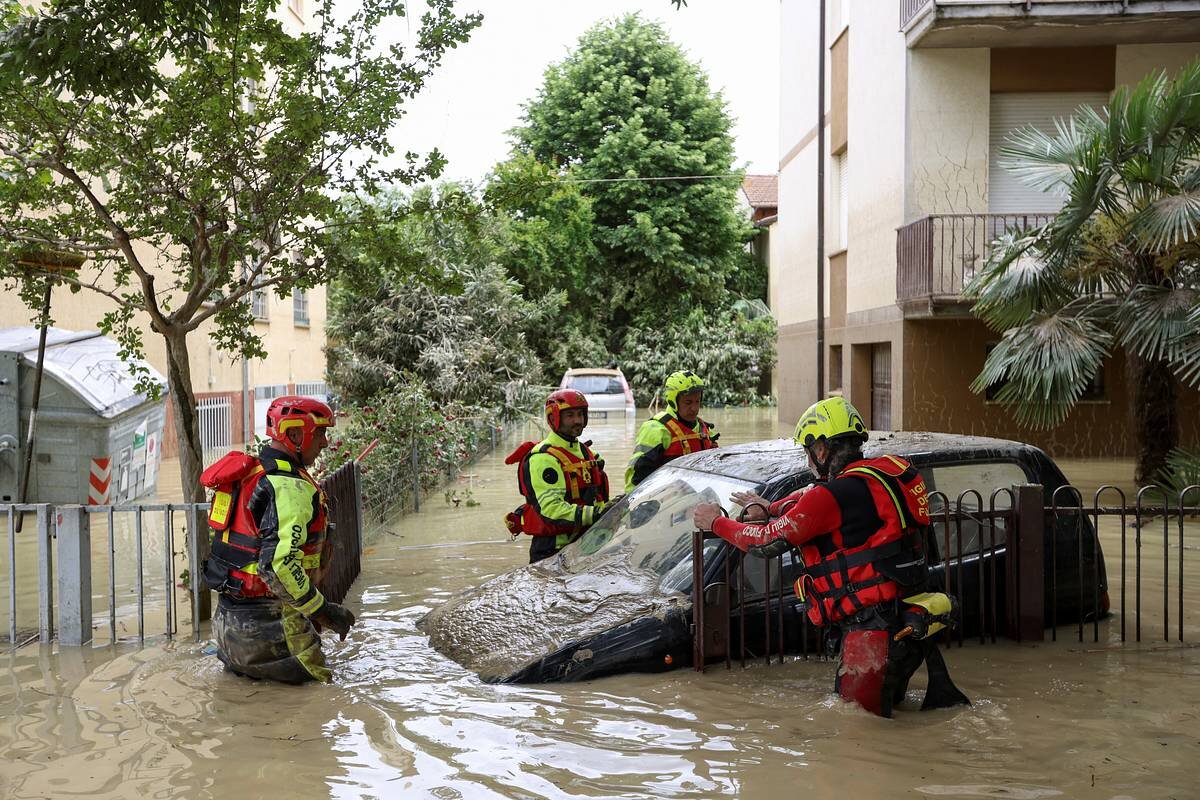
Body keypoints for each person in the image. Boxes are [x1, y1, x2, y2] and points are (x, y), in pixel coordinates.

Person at [692, 396, 969, 718]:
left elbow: (766, 543)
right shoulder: (884, 476)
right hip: (908, 620)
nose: (808, 459)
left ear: (821, 450)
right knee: (886, 714)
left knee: (858, 731)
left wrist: (716, 522)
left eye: (807, 451)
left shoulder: (833, 495)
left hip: (871, 634)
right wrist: (770, 507)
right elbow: (811, 501)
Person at [201, 395, 357, 684]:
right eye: (321, 432)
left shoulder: (251, 475)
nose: (324, 442)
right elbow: (278, 565)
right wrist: (324, 612)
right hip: (273, 632)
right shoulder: (288, 487)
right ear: (295, 434)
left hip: (226, 632)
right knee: (324, 702)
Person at [504, 389, 611, 563]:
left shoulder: (585, 452)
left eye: (580, 414)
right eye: (570, 415)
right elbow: (551, 509)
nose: (577, 421)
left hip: (586, 544)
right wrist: (597, 514)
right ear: (554, 418)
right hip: (552, 550)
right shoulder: (543, 458)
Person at [624, 370, 718, 493]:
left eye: (697, 401)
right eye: (688, 402)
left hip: (699, 497)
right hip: (667, 501)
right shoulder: (656, 429)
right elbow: (635, 477)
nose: (695, 408)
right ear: (673, 401)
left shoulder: (704, 429)